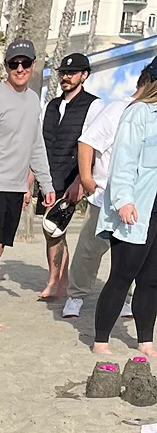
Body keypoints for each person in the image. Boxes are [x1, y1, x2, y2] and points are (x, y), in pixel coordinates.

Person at [0, 40, 55, 330]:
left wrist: (46, 182)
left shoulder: (33, 101)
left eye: (25, 63)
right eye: (13, 64)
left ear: (33, 64)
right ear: (6, 66)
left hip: (17, 188)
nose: (19, 69)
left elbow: (36, 145)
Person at [92, 65, 157, 358]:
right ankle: (101, 339)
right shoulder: (138, 113)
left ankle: (145, 340)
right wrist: (123, 200)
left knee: (152, 278)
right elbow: (123, 161)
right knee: (123, 274)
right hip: (136, 206)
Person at [65, 73, 140, 320]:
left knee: (129, 253)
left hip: (137, 199)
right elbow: (87, 142)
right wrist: (86, 177)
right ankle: (76, 295)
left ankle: (126, 299)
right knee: (90, 249)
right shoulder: (117, 109)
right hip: (105, 195)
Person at [37, 52, 99, 302]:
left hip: (73, 177)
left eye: (71, 73)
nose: (65, 77)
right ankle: (58, 280)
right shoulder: (51, 105)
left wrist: (80, 181)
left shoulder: (94, 105)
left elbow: (90, 146)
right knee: (51, 231)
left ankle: (60, 283)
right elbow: (39, 143)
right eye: (63, 72)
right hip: (49, 175)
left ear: (84, 76)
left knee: (56, 228)